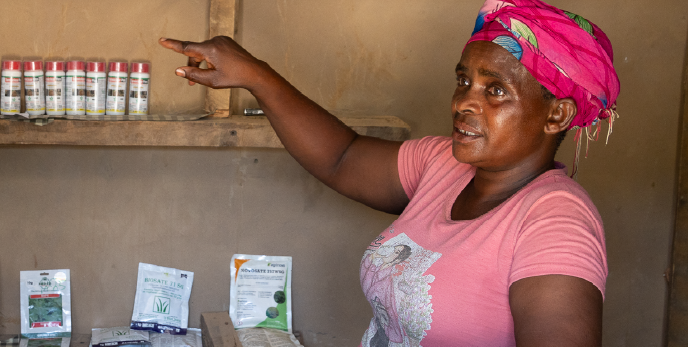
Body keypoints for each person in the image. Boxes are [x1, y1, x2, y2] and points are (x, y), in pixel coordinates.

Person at [160, 0, 617, 345]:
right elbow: (342, 157)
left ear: (556, 115)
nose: (463, 102)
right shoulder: (444, 163)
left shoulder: (556, 224)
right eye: (463, 81)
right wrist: (256, 76)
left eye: (495, 90)